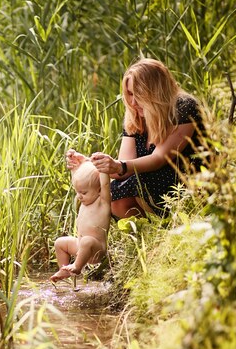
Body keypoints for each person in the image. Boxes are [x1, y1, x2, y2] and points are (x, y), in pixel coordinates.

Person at [68, 58, 206, 218]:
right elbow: (123, 169)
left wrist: (118, 166)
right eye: (130, 94)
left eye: (139, 94)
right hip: (153, 183)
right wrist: (88, 164)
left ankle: (168, 224)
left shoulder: (184, 107)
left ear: (156, 92)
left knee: (135, 184)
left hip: (188, 181)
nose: (133, 101)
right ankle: (145, 232)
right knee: (114, 190)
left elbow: (160, 158)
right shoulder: (136, 117)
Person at [50, 150, 111, 282]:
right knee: (60, 243)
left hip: (95, 249)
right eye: (78, 192)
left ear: (99, 190)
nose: (79, 196)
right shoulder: (85, 198)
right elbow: (78, 182)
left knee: (86, 241)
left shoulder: (102, 202)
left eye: (83, 192)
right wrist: (75, 164)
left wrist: (103, 169)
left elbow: (105, 184)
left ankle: (77, 267)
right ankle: (64, 270)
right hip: (80, 246)